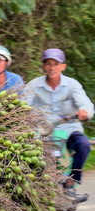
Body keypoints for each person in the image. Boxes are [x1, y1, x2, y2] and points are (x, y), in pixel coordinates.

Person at [25, 48, 94, 200]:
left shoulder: (72, 85)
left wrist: (85, 111)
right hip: (44, 131)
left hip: (69, 128)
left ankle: (71, 181)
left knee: (83, 145)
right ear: (44, 66)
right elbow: (22, 103)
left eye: (56, 64)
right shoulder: (35, 85)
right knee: (34, 156)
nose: (52, 67)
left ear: (63, 66)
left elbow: (86, 104)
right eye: (49, 63)